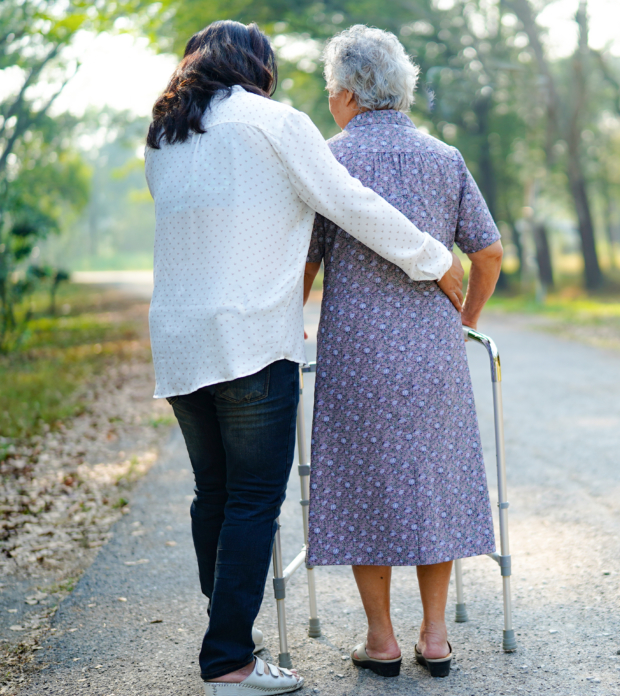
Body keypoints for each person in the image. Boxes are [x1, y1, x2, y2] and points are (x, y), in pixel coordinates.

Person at [145, 20, 464, 696]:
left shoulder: (165, 133)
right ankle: (229, 660)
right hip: (252, 340)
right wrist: (435, 258)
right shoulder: (274, 122)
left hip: (178, 340)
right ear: (256, 66)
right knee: (254, 501)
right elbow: (349, 203)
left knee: (215, 495)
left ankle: (229, 635)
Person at [301, 25, 504, 679]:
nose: (331, 100)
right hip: (432, 354)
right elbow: (489, 251)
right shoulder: (444, 158)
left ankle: (382, 639)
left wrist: (291, 321)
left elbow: (303, 263)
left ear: (351, 94)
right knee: (433, 482)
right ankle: (437, 635)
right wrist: (465, 319)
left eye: (332, 89)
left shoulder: (326, 161)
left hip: (355, 353)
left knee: (366, 484)